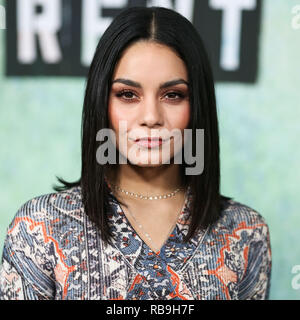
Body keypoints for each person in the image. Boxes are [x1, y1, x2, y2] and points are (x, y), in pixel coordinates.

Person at [0, 6, 271, 300]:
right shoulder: (39, 229)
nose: (151, 116)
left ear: (197, 107)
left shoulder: (246, 233)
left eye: (173, 95)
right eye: (128, 95)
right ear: (102, 102)